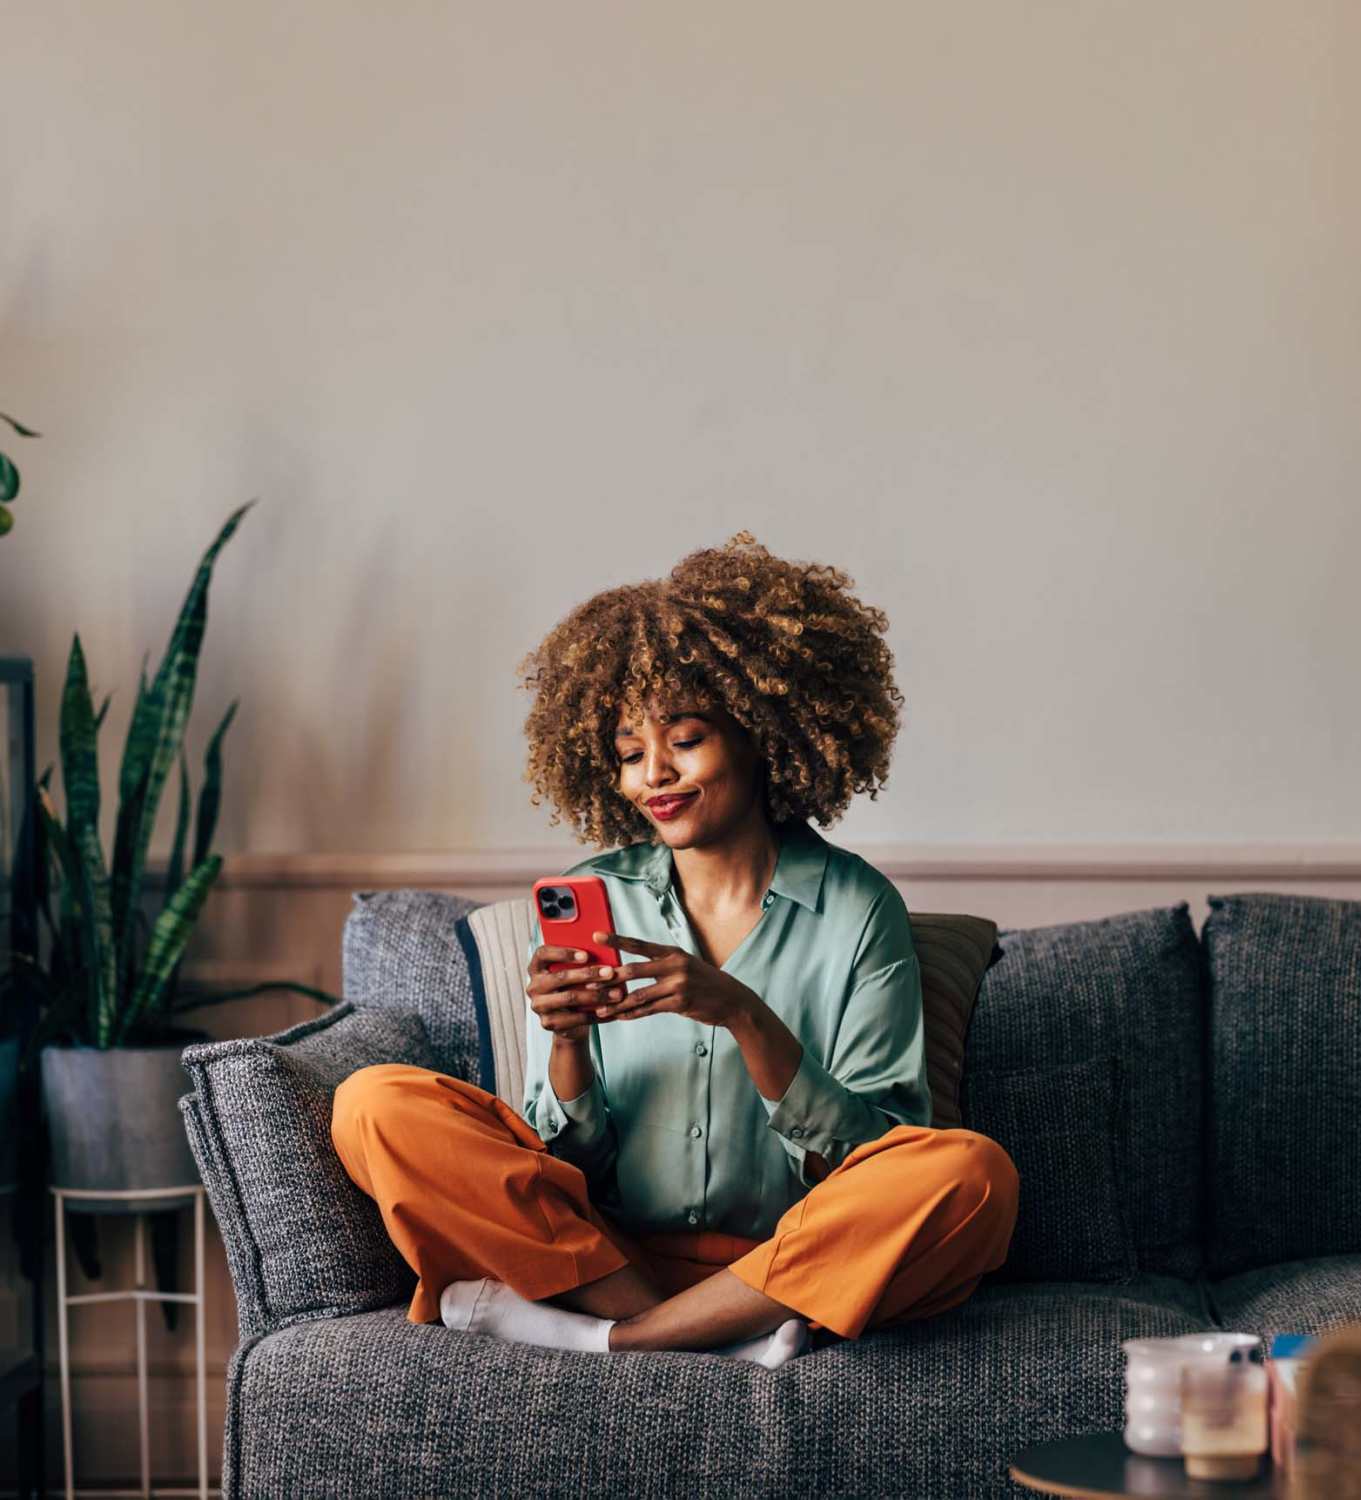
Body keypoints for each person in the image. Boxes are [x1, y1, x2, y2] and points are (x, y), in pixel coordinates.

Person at [331, 530, 1019, 1367]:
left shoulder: (856, 908)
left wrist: (741, 1013)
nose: (652, 774)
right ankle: (703, 1335)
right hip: (608, 1256)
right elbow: (559, 1167)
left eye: (684, 740)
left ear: (761, 734)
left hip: (788, 1260)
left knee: (971, 1175)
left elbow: (879, 1153)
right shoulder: (597, 896)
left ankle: (626, 1341)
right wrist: (567, 1045)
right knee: (373, 1104)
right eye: (629, 754)